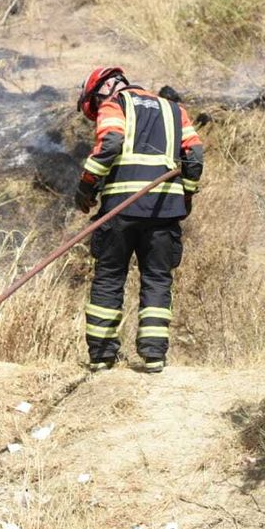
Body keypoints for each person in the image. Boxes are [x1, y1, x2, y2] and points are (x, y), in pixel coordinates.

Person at [74, 67, 205, 374]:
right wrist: (185, 196)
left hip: (119, 210)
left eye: (95, 103)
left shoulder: (114, 104)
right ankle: (154, 356)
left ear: (107, 87)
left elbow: (111, 143)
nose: (98, 109)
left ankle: (102, 357)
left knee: (109, 278)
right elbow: (195, 156)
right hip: (164, 211)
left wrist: (86, 185)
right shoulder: (174, 110)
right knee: (158, 279)